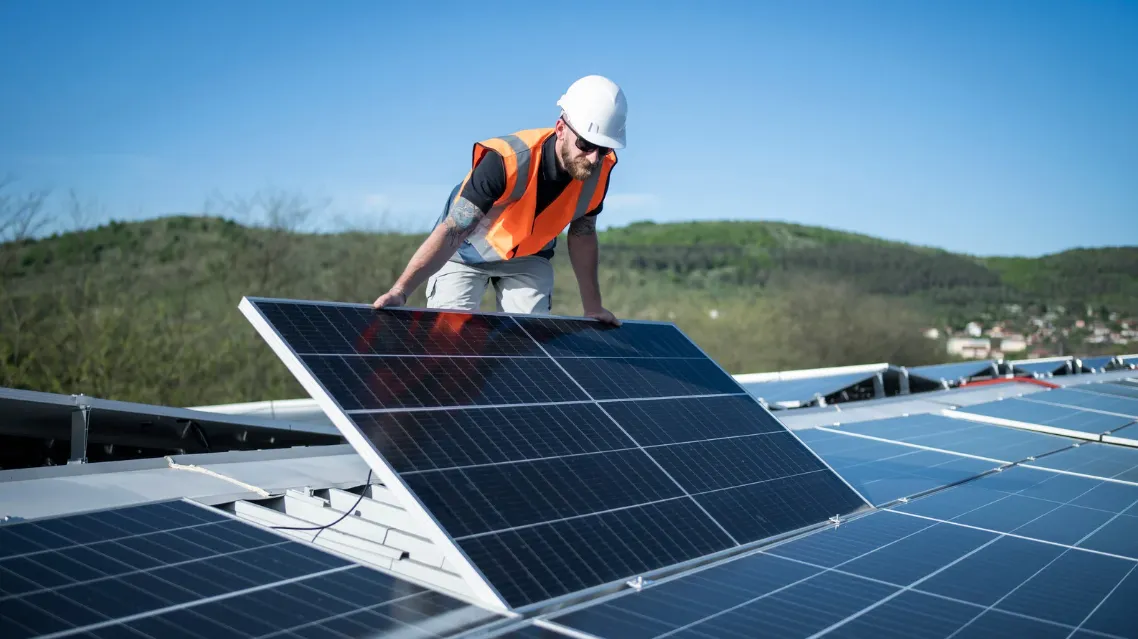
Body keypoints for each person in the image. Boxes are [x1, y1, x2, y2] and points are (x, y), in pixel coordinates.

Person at [371, 75, 627, 326]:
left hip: (529, 257)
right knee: (446, 342)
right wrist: (401, 291)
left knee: (528, 342)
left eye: (603, 149)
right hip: (464, 253)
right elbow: (454, 229)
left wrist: (593, 306)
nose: (594, 158)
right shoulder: (506, 161)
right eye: (585, 144)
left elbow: (583, 234)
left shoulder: (598, 173)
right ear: (561, 129)